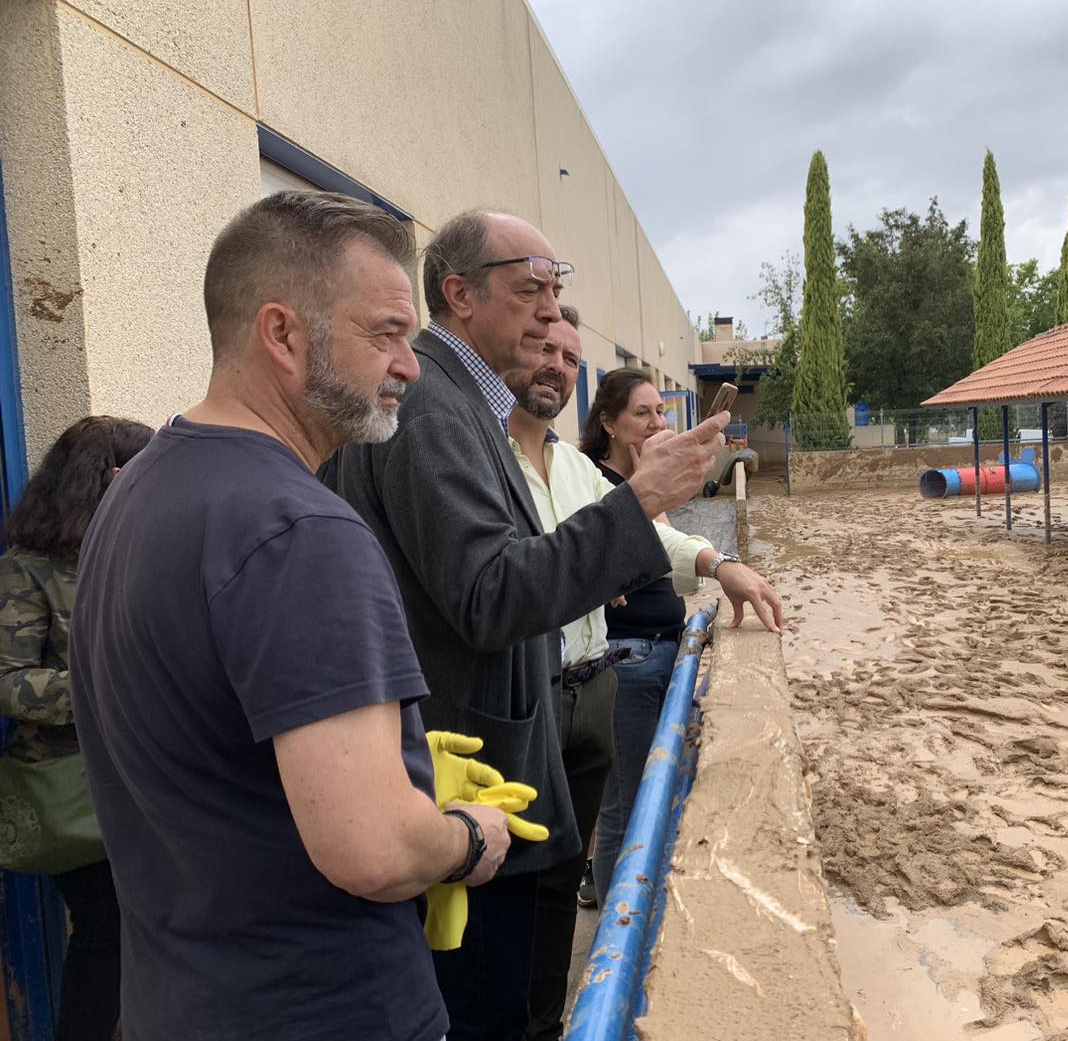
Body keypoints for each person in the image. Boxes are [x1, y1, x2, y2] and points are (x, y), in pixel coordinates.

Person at [69, 191, 509, 1041]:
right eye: (384, 333)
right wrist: (466, 836)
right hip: (323, 1012)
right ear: (283, 334)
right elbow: (373, 851)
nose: (411, 366)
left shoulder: (137, 494)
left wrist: (398, 754)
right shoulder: (302, 530)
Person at [323, 207, 729, 1041]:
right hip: (465, 783)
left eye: (557, 286)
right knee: (485, 1008)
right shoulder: (436, 407)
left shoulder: (463, 404)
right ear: (459, 294)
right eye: (529, 287)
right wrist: (642, 498)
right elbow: (491, 594)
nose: (551, 310)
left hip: (480, 777)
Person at [505, 310, 781, 1040]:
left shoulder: (568, 467)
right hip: (527, 698)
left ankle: (550, 1013)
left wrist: (721, 564)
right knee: (521, 880)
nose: (557, 363)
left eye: (569, 352)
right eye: (540, 347)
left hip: (588, 689)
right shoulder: (482, 460)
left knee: (563, 867)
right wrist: (604, 563)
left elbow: (645, 530)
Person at [580, 369, 782, 903]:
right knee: (628, 807)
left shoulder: (644, 480)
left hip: (654, 650)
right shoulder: (597, 483)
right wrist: (722, 564)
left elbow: (665, 548)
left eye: (661, 411)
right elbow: (665, 541)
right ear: (607, 422)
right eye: (641, 413)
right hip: (629, 658)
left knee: (634, 799)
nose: (656, 423)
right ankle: (615, 932)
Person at [0, 414, 153, 1041]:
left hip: (144, 777)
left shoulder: (138, 549)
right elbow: (9, 682)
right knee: (106, 932)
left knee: (153, 927)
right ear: (105, 480)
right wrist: (99, 687)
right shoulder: (28, 568)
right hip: (73, 783)